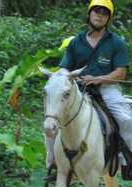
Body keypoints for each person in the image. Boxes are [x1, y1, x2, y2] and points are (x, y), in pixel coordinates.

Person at [46, 0, 131, 168]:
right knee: (52, 118)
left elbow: (121, 72)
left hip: (107, 90)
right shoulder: (76, 42)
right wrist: (63, 77)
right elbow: (64, 68)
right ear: (89, 13)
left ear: (109, 18)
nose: (100, 14)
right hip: (78, 90)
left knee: (125, 119)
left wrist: (99, 79)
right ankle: (53, 162)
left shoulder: (116, 42)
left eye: (104, 12)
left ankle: (127, 159)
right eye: (96, 10)